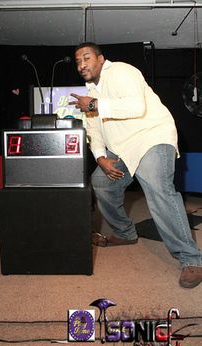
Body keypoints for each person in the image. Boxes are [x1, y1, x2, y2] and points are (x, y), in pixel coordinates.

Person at [69, 42, 202, 289]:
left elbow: (135, 107)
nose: (81, 64)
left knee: (158, 189)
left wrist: (94, 105)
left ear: (100, 59)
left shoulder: (121, 71)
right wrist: (100, 157)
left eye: (86, 58)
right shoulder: (90, 92)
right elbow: (94, 130)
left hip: (151, 137)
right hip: (123, 150)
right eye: (77, 61)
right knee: (100, 183)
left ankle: (191, 258)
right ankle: (125, 232)